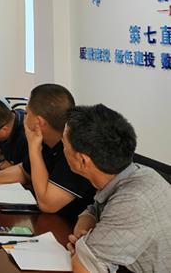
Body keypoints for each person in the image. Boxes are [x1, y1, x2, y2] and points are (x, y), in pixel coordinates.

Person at [63, 105, 171, 273]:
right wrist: (85, 230)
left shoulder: (133, 201)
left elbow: (82, 268)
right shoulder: (129, 174)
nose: (62, 149)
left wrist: (84, 251)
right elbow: (94, 209)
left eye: (64, 144)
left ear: (83, 161)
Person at [0, 84, 95, 221]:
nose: (24, 116)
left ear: (38, 122)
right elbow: (24, 171)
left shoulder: (74, 149)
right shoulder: (45, 140)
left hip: (69, 225)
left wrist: (34, 149)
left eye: (27, 112)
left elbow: (47, 204)